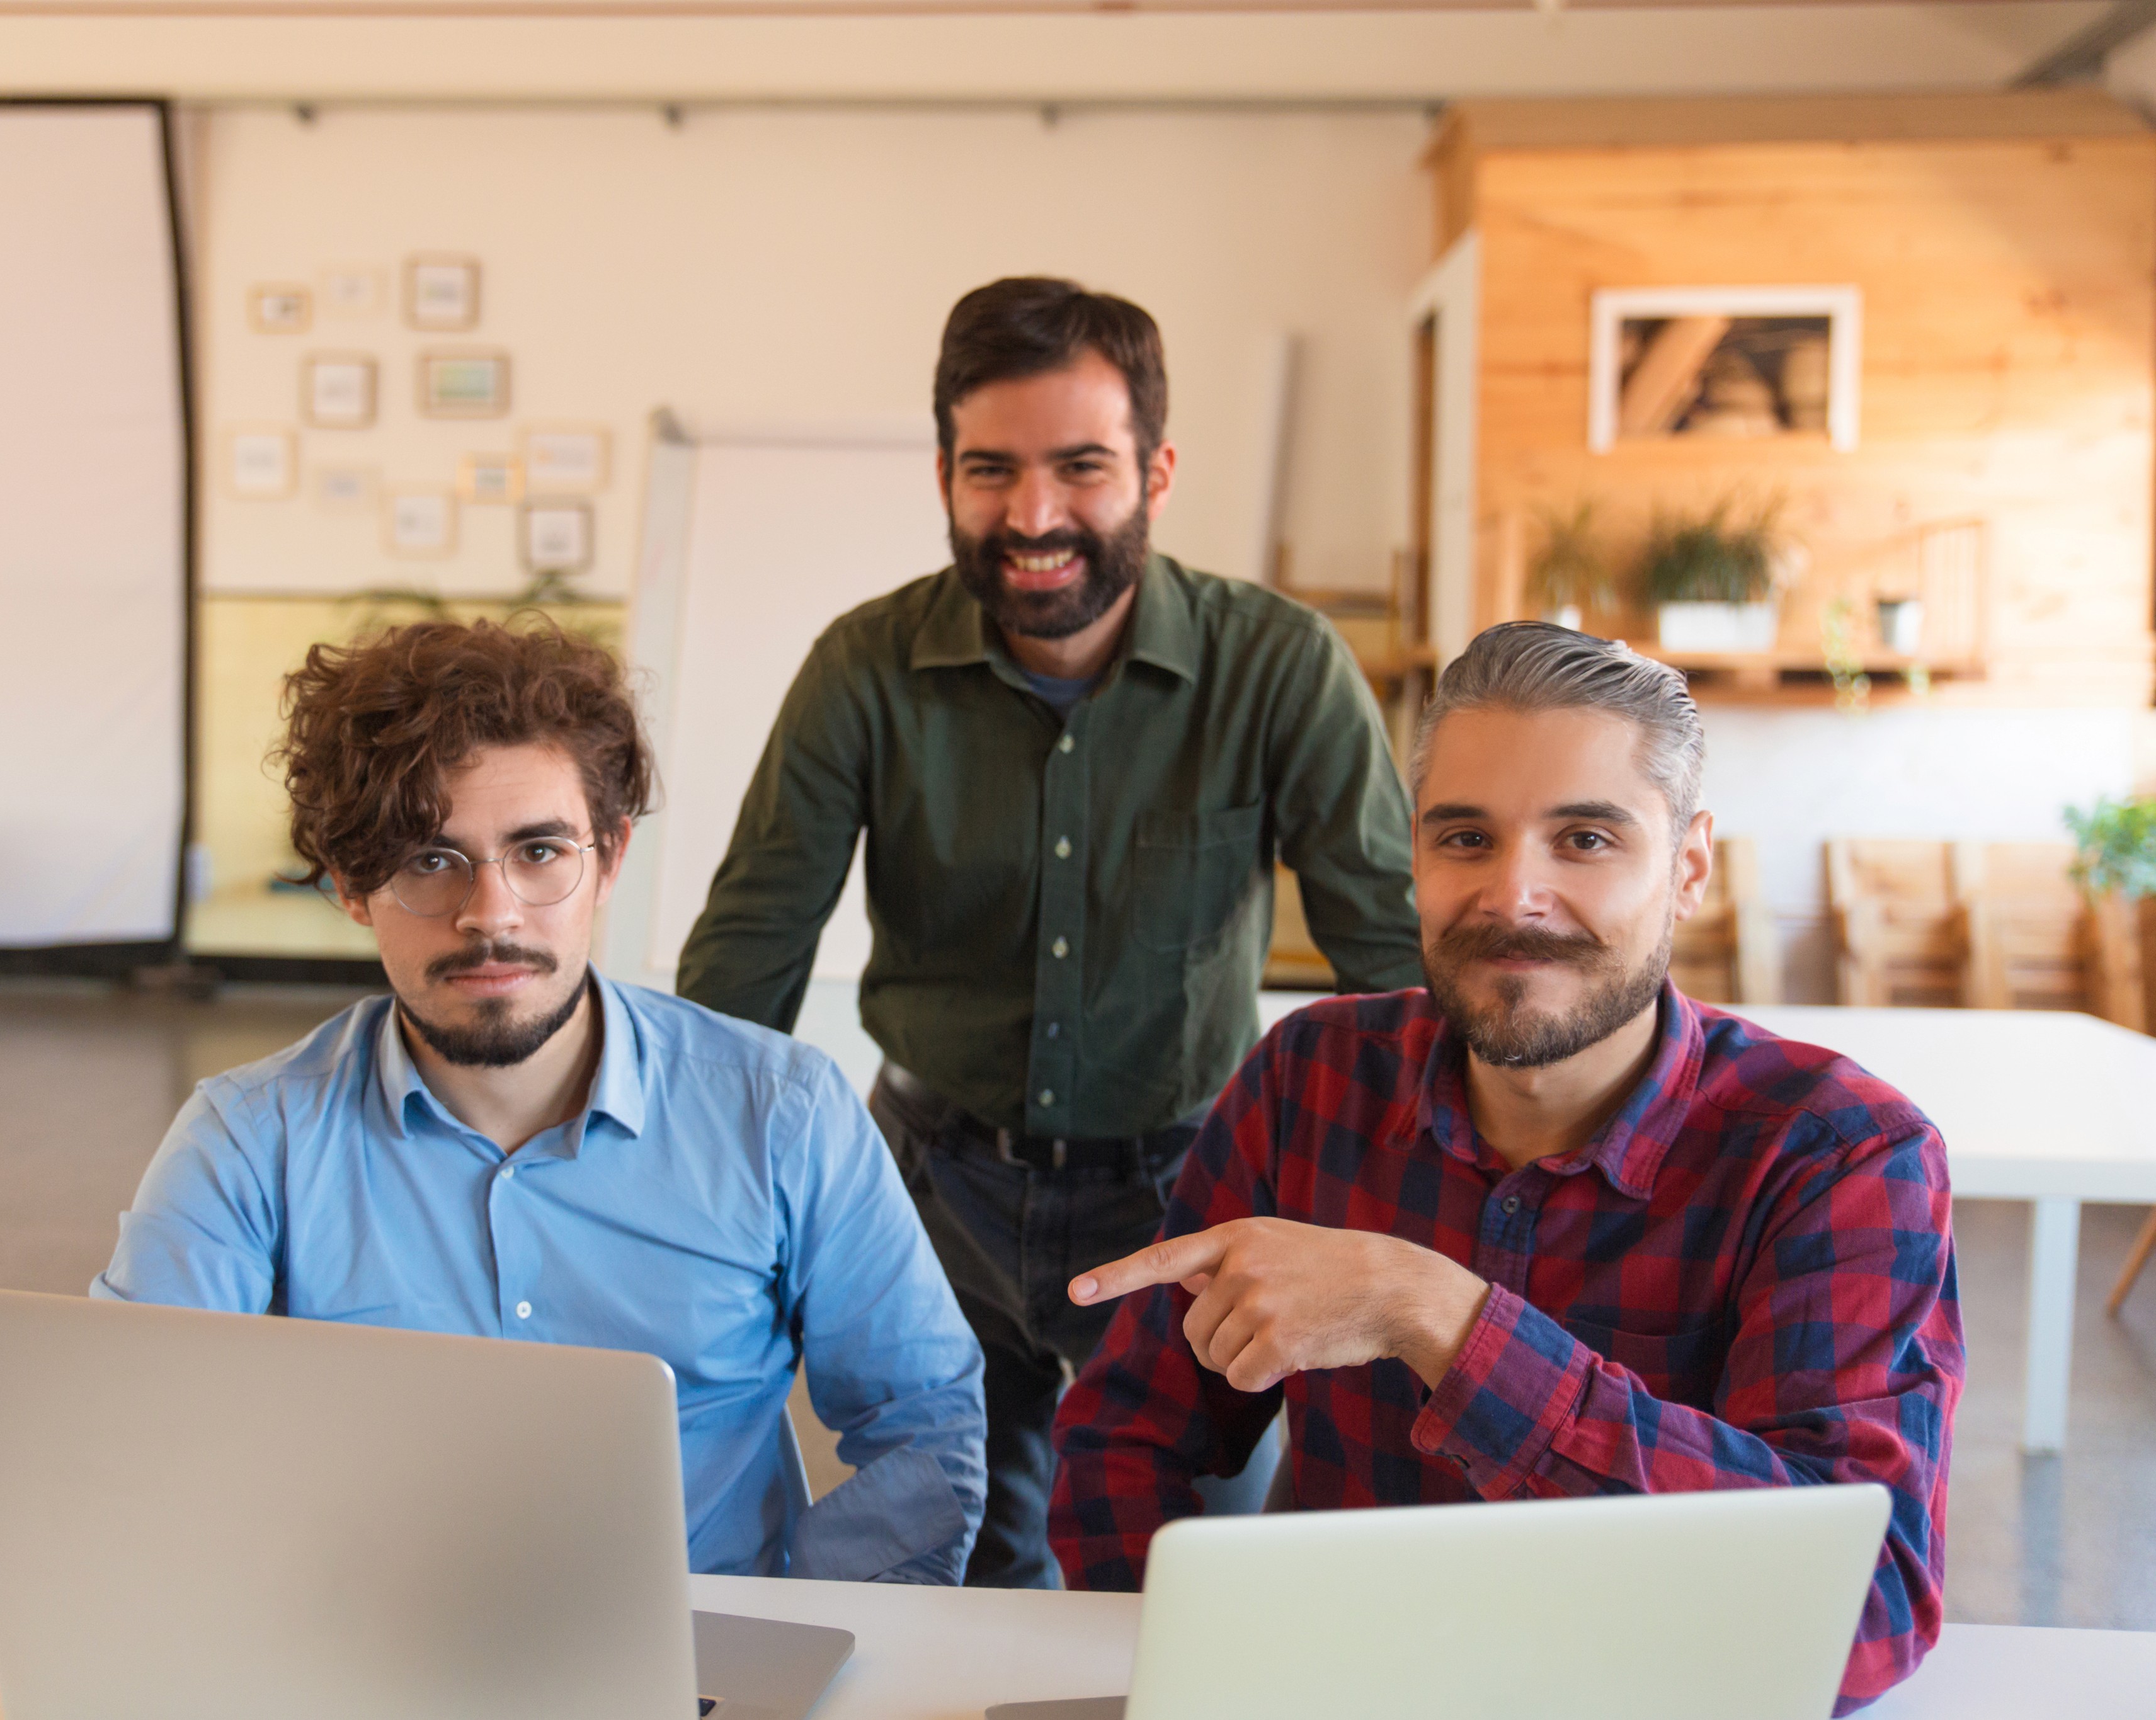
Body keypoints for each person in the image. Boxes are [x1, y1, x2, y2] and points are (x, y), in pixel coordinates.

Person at [1049, 622, 1961, 1712]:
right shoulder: (1311, 1077)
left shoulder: (1838, 1154)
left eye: (1585, 839)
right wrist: (1186, 1671)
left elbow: (1865, 1611)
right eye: (1467, 839)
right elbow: (1124, 1434)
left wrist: (1436, 1315)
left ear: (1689, 868)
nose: (1514, 895)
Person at [677, 276, 1423, 1588]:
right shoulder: (862, 666)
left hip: (1184, 1195)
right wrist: (679, 1205)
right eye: (991, 470)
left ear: (1156, 468)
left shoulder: (1279, 667)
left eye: (1080, 466)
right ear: (943, 474)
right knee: (964, 1551)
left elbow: (1393, 970)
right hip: (929, 1190)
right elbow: (749, 950)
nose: (1033, 517)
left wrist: (1419, 1223)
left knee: (1187, 1574)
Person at [94, 618, 986, 1585]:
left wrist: (804, 1645)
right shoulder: (247, 1139)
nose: (492, 913)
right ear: (352, 887)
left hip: (705, 1667)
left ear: (608, 859)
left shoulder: (785, 1113)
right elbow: (136, 1439)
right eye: (430, 861)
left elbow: (924, 1421)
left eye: (540, 851)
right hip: (367, 1657)